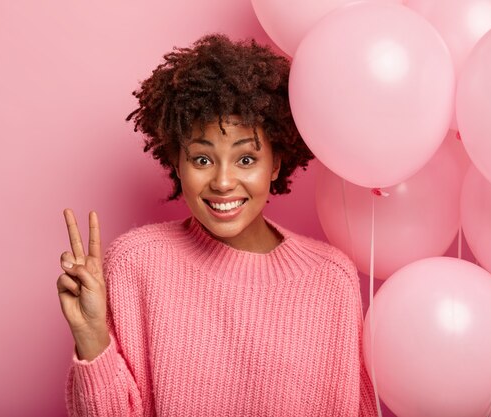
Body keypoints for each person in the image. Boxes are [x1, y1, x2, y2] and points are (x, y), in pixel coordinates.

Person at [57, 33, 378, 416]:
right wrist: (90, 335)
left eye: (246, 160)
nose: (223, 182)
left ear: (274, 164)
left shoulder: (330, 280)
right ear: (177, 163)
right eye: (203, 160)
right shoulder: (135, 264)